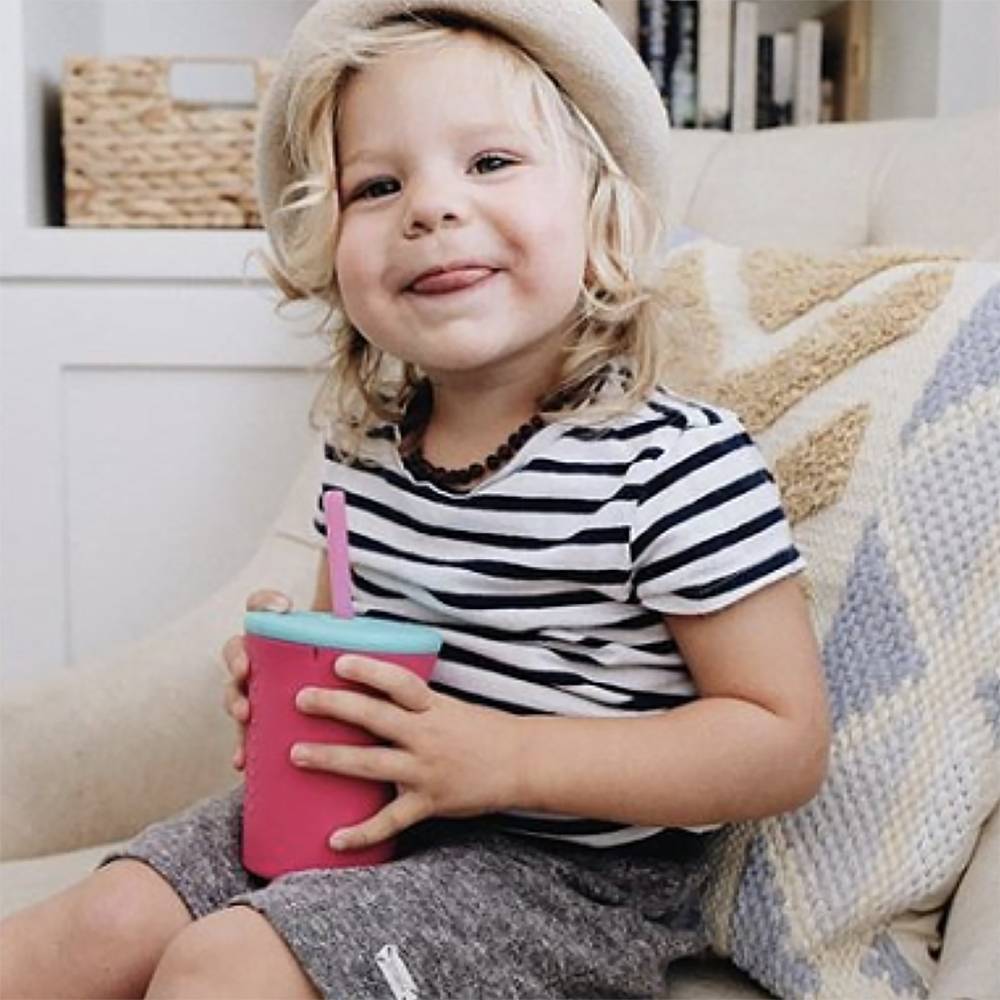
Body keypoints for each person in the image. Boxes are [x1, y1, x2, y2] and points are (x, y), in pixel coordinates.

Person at [0, 1, 830, 997]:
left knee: (226, 966)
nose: (430, 209)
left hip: (566, 877)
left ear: (600, 210)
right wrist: (297, 690)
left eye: (490, 162)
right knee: (105, 922)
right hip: (360, 811)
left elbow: (782, 741)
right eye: (378, 184)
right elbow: (353, 640)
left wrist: (504, 756)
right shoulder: (361, 453)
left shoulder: (673, 464)